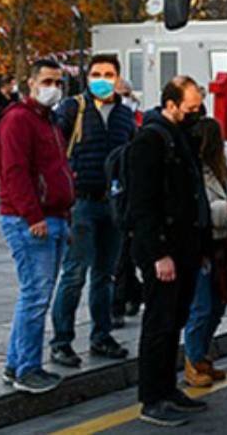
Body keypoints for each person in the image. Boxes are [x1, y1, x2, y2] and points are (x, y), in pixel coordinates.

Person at [129, 75, 212, 427]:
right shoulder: (150, 140)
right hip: (164, 251)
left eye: (199, 107)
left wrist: (202, 246)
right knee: (159, 323)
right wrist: (159, 253)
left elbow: (193, 193)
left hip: (187, 246)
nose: (197, 113)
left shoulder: (180, 136)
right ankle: (152, 397)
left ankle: (168, 388)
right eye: (191, 108)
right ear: (171, 104)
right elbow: (142, 204)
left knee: (176, 319)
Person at [49, 55, 136, 368]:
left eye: (109, 74)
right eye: (97, 74)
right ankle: (61, 341)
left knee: (105, 275)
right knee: (74, 275)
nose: (102, 79)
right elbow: (53, 148)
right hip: (81, 203)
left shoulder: (125, 115)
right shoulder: (73, 109)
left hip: (112, 204)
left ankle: (102, 336)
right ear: (87, 78)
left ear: (117, 78)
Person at [0, 59, 74, 394]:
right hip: (31, 220)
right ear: (30, 83)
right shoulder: (19, 121)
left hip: (54, 217)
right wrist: (33, 216)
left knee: (36, 295)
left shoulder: (49, 121)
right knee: (36, 296)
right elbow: (14, 174)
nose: (52, 87)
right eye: (46, 80)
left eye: (57, 82)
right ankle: (27, 368)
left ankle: (17, 364)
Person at [183, 117, 227, 388]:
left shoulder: (222, 170)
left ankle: (202, 355)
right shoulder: (191, 171)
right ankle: (193, 359)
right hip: (201, 245)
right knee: (201, 306)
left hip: (222, 244)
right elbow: (192, 211)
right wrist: (226, 209)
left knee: (219, 303)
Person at [112, 78, 144, 328]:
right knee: (121, 257)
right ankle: (133, 294)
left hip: (126, 193)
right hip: (110, 192)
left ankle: (119, 304)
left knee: (123, 256)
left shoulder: (133, 118)